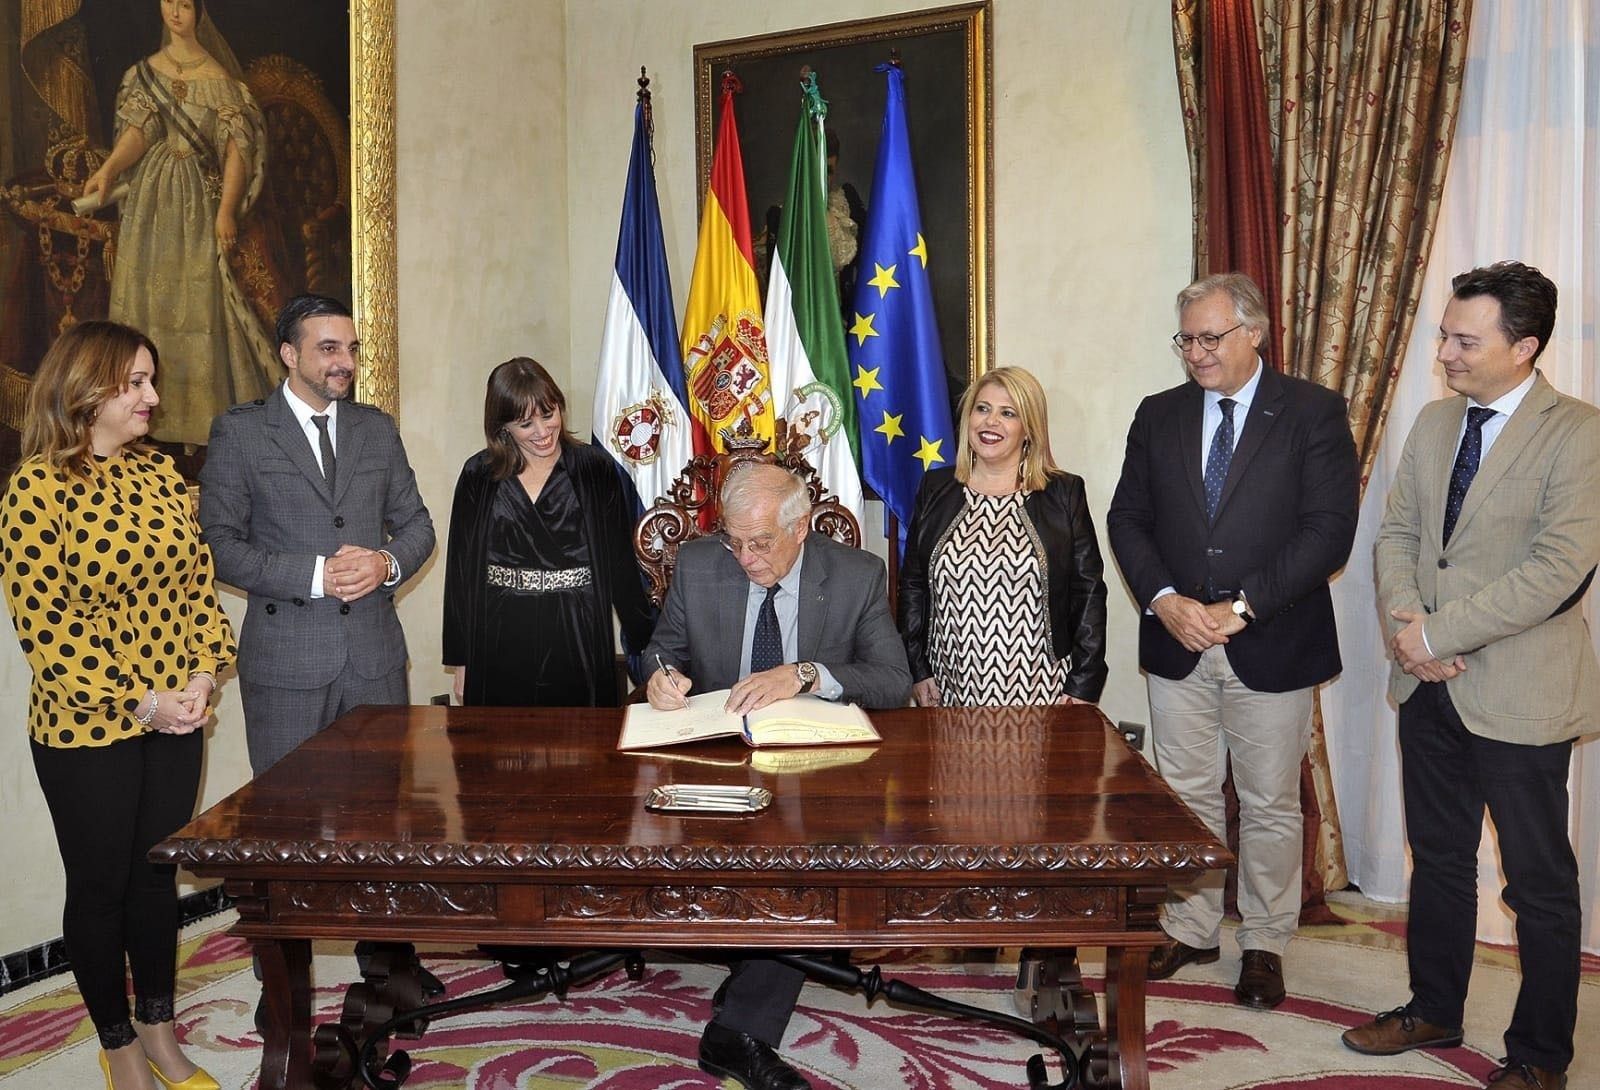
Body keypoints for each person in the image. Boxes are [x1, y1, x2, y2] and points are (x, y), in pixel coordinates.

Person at [1345, 262, 1599, 1090]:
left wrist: (1438, 632)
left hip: (1521, 694)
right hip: (1429, 688)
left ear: (1524, 347)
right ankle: (1432, 1008)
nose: (1445, 353)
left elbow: (1558, 570)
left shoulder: (1580, 433)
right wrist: (1410, 631)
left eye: (1464, 339)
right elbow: (1398, 535)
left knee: (1539, 885)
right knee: (1440, 858)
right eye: (1444, 335)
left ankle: (1539, 1056)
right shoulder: (1433, 421)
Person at [1106, 271, 1358, 1009]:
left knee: (1270, 801)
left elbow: (1327, 532)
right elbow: (1128, 518)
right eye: (1186, 339)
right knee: (1184, 794)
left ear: (1254, 333)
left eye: (1210, 338)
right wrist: (1164, 600)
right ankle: (1191, 926)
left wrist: (1244, 607)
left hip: (1271, 638)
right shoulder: (1159, 415)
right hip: (1178, 637)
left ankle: (1266, 942)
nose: (1195, 354)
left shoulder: (1311, 412)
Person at [1, 321, 235, 1090]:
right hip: (87, 728)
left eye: (150, 380)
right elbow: (49, 628)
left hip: (179, 715)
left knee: (153, 879)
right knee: (99, 889)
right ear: (85, 389)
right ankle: (119, 1049)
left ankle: (161, 1033)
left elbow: (198, 588)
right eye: (134, 382)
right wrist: (144, 702)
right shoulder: (34, 489)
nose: (152, 397)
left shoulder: (161, 476)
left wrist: (202, 678)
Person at [644, 462, 910, 1090]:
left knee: (806, 865)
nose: (743, 557)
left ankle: (739, 1030)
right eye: (734, 540)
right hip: (717, 758)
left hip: (816, 766)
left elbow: (894, 683)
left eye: (760, 543)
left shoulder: (855, 575)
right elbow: (660, 648)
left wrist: (809, 673)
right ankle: (753, 989)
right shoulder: (700, 565)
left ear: (801, 529)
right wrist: (658, 676)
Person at [198, 293, 434, 775]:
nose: (345, 363)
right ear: (290, 354)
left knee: (380, 821)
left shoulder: (376, 429)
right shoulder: (242, 432)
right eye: (329, 349)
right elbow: (218, 547)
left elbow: (418, 527)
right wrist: (316, 575)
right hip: (286, 668)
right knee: (289, 823)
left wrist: (383, 564)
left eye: (351, 349)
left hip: (376, 664)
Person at [80, 0, 280, 447]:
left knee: (195, 305)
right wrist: (110, 169)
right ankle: (136, 426)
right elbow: (138, 134)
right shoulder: (148, 72)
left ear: (200, 12)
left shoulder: (219, 82)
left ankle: (194, 429)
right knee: (148, 302)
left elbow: (236, 155)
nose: (175, 11)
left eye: (185, 4)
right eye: (169, 1)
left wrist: (226, 211)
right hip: (152, 206)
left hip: (196, 208)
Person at [443, 357, 654, 706]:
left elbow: (620, 562)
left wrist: (647, 645)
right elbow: (461, 572)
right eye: (526, 423)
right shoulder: (478, 474)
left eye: (549, 413)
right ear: (503, 426)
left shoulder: (594, 469)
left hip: (578, 629)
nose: (542, 431)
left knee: (580, 745)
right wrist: (462, 661)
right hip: (499, 632)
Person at [899, 365, 1107, 707]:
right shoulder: (936, 489)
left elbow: (1088, 594)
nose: (990, 422)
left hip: (1042, 693)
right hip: (948, 692)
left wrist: (1082, 685)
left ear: (1029, 429)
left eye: (1007, 413)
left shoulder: (1064, 494)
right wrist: (918, 670)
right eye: (983, 409)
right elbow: (913, 586)